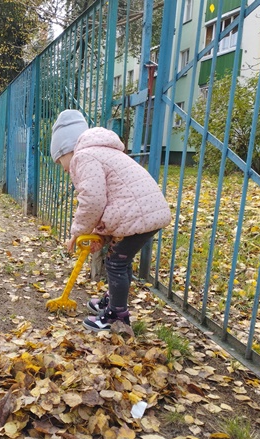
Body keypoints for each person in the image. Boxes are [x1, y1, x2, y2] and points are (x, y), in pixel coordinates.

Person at [50, 109, 172, 332]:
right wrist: (101, 235)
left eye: (61, 161)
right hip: (146, 211)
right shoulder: (103, 152)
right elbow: (115, 200)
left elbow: (93, 200)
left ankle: (117, 316)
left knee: (116, 263)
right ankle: (111, 300)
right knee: (119, 260)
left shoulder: (83, 156)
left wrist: (77, 231)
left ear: (67, 149)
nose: (65, 168)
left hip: (138, 214)